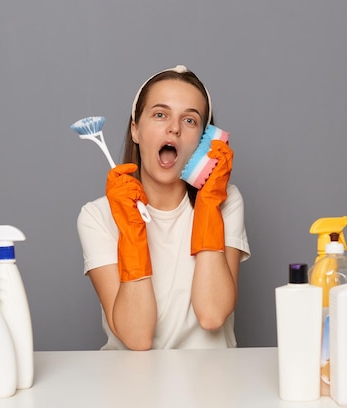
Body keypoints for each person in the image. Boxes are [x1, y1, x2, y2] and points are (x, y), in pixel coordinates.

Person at [77, 65, 250, 350]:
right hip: (133, 386)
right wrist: (131, 233)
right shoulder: (97, 216)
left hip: (212, 385)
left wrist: (208, 209)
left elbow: (212, 315)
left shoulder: (225, 200)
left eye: (190, 120)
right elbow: (137, 338)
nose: (174, 128)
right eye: (160, 114)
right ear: (135, 129)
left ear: (203, 141)